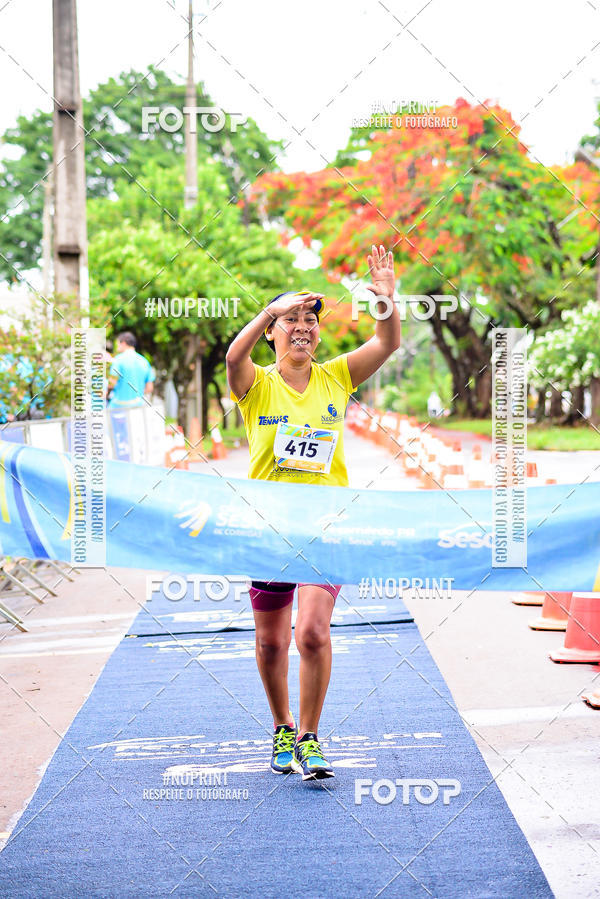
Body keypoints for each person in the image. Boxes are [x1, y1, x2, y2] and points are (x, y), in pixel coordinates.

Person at [226, 245, 400, 781]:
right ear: (272, 332)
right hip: (269, 530)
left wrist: (386, 300)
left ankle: (309, 736)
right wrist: (269, 310)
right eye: (291, 320)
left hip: (326, 527)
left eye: (310, 320)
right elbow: (232, 359)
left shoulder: (336, 377)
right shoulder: (256, 385)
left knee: (312, 634)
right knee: (271, 641)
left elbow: (386, 343)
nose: (302, 327)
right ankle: (281, 727)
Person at [107, 332, 155, 407]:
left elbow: (112, 383)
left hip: (118, 406)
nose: (117, 347)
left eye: (118, 344)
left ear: (123, 343)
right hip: (137, 406)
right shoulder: (144, 361)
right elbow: (149, 388)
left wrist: (106, 394)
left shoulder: (118, 360)